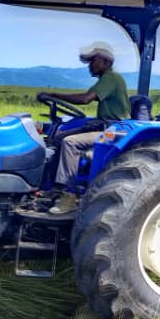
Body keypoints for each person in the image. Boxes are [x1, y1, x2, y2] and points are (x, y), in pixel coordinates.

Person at [38, 41, 130, 214]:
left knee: (71, 143)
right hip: (105, 125)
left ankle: (69, 196)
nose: (90, 65)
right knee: (57, 137)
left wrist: (54, 95)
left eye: (93, 60)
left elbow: (86, 98)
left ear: (106, 62)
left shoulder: (111, 77)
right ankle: (47, 187)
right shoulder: (106, 79)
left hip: (115, 130)